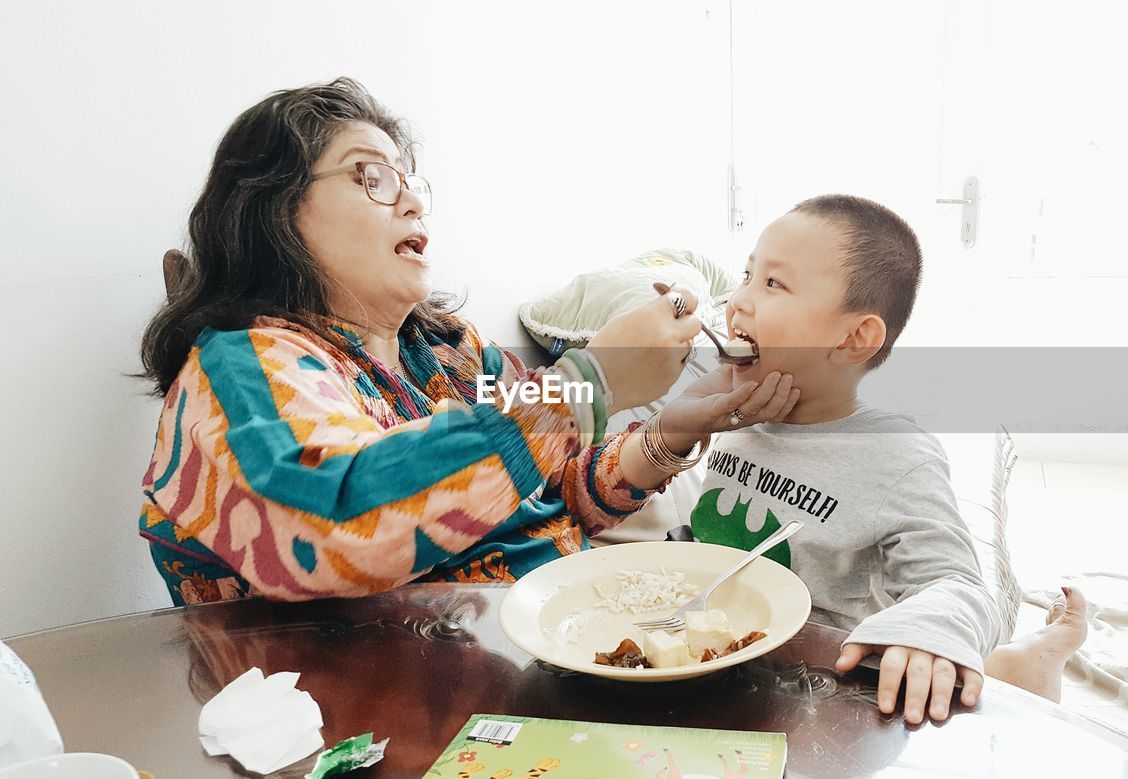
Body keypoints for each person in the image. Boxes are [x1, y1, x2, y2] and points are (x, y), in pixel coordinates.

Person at [136, 77, 798, 606]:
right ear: (273, 209)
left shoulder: (449, 355)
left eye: (411, 181)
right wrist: (589, 380)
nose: (414, 203)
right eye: (373, 177)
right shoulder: (239, 369)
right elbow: (337, 524)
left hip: (539, 655)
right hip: (366, 720)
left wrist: (669, 435)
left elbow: (553, 488)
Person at [682, 194, 1088, 723]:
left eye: (773, 284)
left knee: (996, 698)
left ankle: (1038, 655)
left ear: (854, 339)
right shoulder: (733, 423)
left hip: (841, 678)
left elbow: (959, 584)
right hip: (728, 659)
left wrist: (929, 633)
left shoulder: (897, 454)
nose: (739, 301)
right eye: (747, 274)